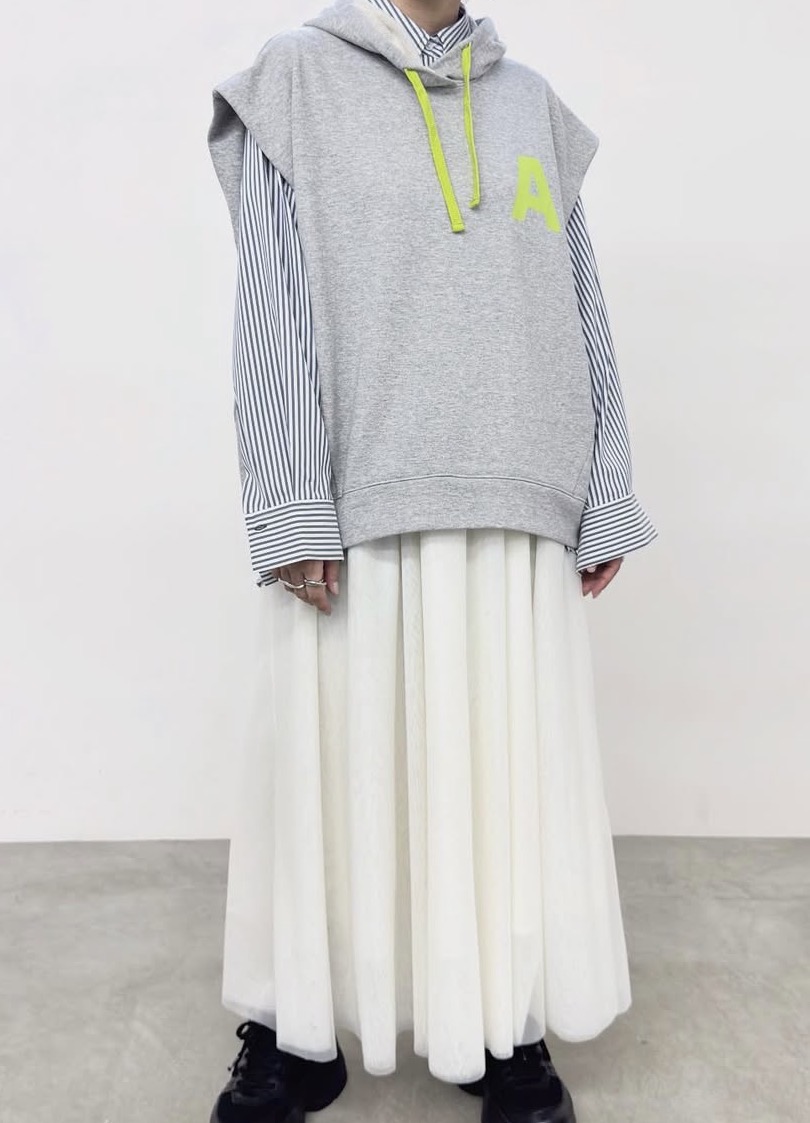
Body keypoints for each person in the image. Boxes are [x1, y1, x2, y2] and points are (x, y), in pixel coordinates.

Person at [205, 1, 658, 1121]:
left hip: (519, 490)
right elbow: (270, 298)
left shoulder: (532, 105)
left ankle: (496, 1023)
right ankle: (297, 1028)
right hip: (361, 487)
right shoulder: (295, 80)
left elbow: (577, 299)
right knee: (328, 772)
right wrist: (290, 498)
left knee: (503, 776)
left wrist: (605, 483)